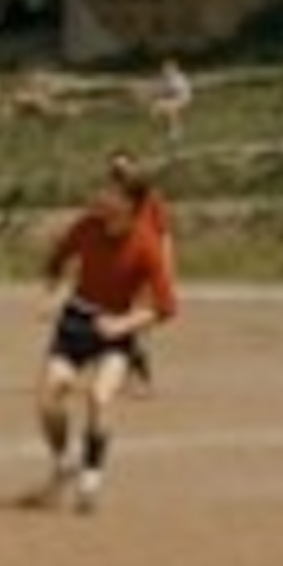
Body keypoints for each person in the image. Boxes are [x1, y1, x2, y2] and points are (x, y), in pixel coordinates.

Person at [24, 164, 179, 514]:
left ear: (129, 204)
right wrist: (52, 293)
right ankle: (64, 462)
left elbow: (167, 306)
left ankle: (90, 480)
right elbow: (57, 261)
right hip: (77, 322)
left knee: (99, 396)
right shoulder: (87, 226)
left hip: (115, 331)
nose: (101, 197)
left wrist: (125, 323)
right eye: (103, 190)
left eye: (111, 193)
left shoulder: (146, 244)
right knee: (49, 397)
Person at [105, 149, 176, 395]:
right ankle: (128, 375)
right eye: (115, 170)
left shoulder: (151, 198)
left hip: (146, 267)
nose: (120, 174)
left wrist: (166, 268)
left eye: (124, 169)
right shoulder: (111, 200)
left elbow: (164, 234)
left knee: (138, 325)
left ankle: (142, 377)